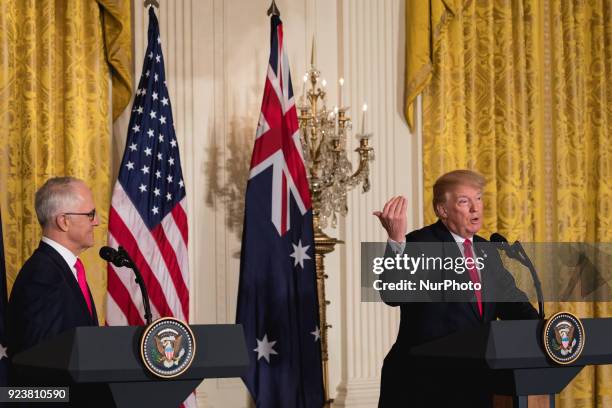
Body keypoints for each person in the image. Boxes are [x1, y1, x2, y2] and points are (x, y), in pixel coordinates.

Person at [373, 170, 538, 408]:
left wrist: (545, 332)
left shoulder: (487, 250)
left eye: (479, 198)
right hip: (423, 385)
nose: (475, 208)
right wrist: (397, 240)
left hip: (474, 381)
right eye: (464, 201)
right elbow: (392, 294)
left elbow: (514, 305)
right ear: (443, 210)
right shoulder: (421, 243)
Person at [7, 177, 99, 358]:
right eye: (90, 214)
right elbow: (42, 357)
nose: (96, 222)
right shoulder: (43, 275)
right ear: (63, 221)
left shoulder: (62, 267)